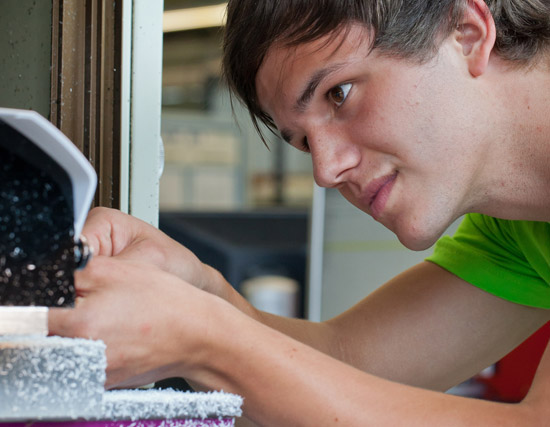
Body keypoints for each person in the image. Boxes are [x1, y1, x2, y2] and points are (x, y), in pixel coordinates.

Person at [49, 0, 550, 424]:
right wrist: (196, 290)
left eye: (340, 94)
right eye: (305, 142)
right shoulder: (519, 233)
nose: (326, 171)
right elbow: (350, 363)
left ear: (466, 33)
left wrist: (204, 341)